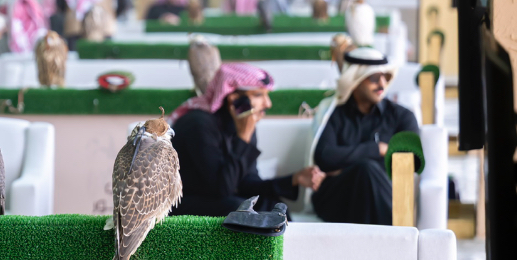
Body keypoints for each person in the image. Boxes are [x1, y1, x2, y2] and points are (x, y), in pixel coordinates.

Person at [169, 62, 324, 217]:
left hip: (218, 199)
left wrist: (294, 179)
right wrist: (243, 137)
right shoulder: (198, 125)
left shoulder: (242, 124)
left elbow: (248, 184)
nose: (268, 104)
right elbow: (222, 188)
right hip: (180, 204)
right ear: (234, 100)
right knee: (237, 209)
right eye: (259, 95)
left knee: (273, 206)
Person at [311, 48, 419, 225]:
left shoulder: (402, 116)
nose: (382, 84)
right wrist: (377, 149)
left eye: (386, 77)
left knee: (367, 173)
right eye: (375, 78)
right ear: (356, 80)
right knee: (366, 170)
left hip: (384, 193)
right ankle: (398, 235)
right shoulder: (332, 113)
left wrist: (343, 165)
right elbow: (324, 157)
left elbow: (410, 160)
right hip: (336, 199)